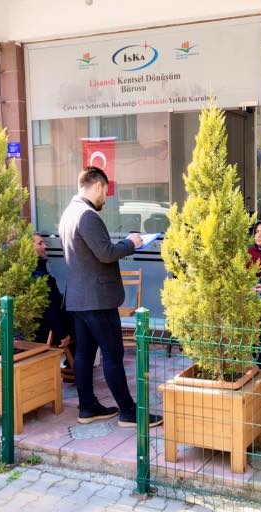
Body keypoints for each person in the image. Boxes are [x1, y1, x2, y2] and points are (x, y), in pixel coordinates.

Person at [59, 166, 162, 427]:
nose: (106, 197)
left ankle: (88, 407)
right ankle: (129, 412)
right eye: (105, 191)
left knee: (84, 354)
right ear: (97, 186)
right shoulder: (87, 215)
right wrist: (131, 243)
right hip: (97, 298)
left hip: (79, 298)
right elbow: (105, 253)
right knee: (113, 354)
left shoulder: (69, 212)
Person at [32, 233, 73, 350]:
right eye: (40, 243)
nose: (45, 246)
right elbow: (49, 308)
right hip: (46, 333)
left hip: (40, 330)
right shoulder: (38, 276)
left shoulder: (37, 270)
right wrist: (62, 334)